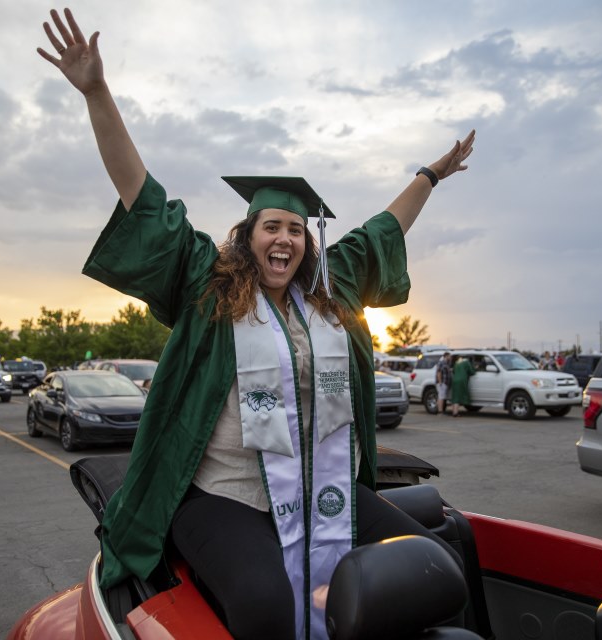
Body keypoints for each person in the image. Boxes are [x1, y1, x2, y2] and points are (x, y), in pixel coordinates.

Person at [38, 8, 475, 639]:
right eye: (272, 226)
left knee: (433, 569)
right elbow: (143, 196)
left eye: (297, 229)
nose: (286, 238)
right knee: (265, 603)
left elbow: (385, 228)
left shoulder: (330, 292)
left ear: (307, 242)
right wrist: (97, 93)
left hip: (320, 488)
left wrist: (430, 174)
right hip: (227, 492)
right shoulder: (208, 286)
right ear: (247, 236)